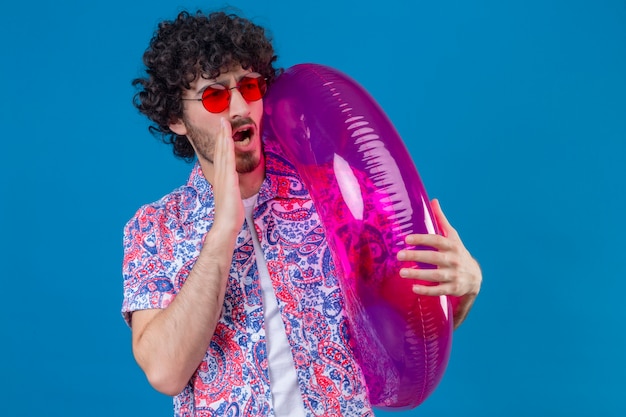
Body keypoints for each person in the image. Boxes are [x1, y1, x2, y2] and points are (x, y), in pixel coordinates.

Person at [121, 9, 482, 417]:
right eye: (216, 95)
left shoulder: (329, 190)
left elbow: (404, 335)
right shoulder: (155, 227)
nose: (240, 106)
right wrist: (224, 229)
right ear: (175, 118)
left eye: (251, 87)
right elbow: (166, 372)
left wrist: (464, 288)